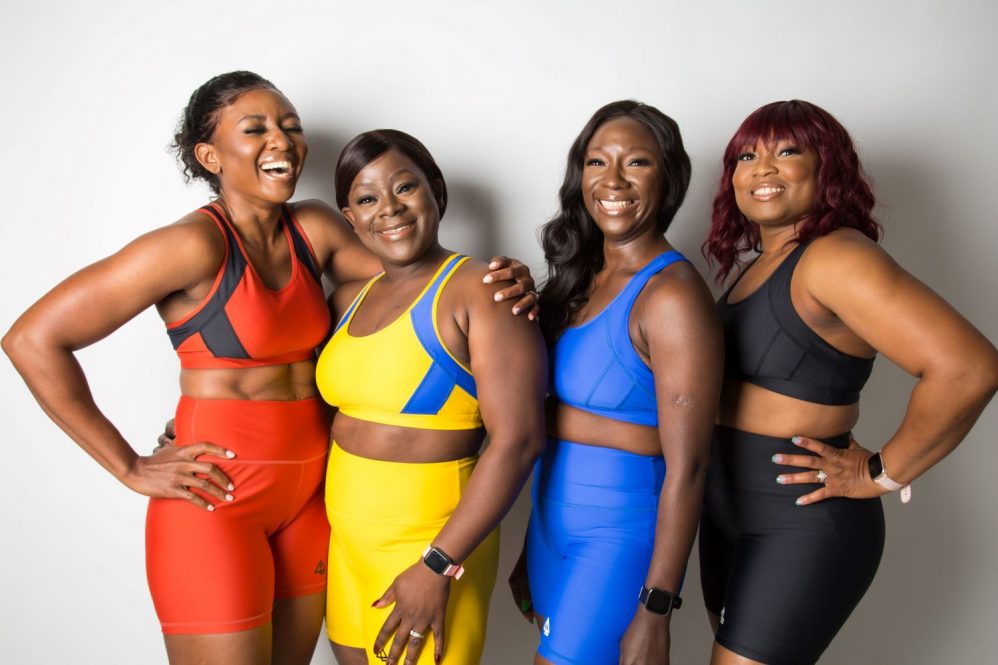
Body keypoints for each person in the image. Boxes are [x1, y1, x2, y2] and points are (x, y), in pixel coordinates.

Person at [1, 72, 535, 665]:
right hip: (218, 498)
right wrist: (127, 464)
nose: (281, 141)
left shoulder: (315, 229)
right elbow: (32, 339)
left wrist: (502, 281)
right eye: (255, 129)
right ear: (210, 156)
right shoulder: (190, 246)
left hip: (313, 501)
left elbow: (415, 279)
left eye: (290, 127)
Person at [700, 99, 998, 665]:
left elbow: (969, 368)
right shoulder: (759, 262)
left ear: (826, 167)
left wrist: (881, 473)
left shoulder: (834, 257)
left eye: (787, 151)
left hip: (799, 522)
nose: (762, 168)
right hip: (726, 514)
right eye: (746, 155)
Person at [316, 129, 547, 665]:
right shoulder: (350, 297)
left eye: (405, 188)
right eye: (367, 198)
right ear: (349, 218)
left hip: (429, 545)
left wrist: (437, 564)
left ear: (436, 191)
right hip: (345, 545)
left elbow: (519, 441)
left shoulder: (481, 289)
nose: (389, 209)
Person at [508, 100, 724, 665]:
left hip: (618, 542)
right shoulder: (583, 277)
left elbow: (690, 465)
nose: (614, 180)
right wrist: (531, 545)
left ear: (670, 178)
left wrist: (656, 609)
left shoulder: (671, 296)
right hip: (554, 533)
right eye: (597, 162)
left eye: (638, 163)